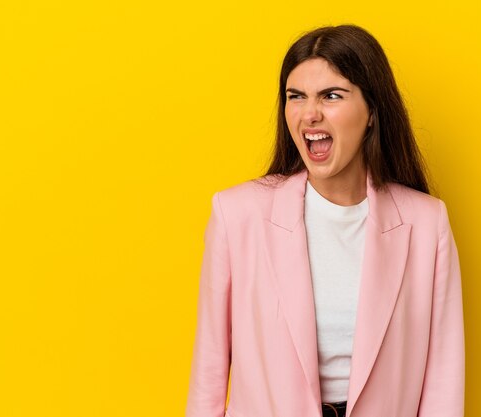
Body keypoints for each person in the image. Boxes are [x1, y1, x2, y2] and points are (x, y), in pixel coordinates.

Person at [186, 24, 465, 417]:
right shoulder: (237, 215)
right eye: (295, 97)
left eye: (331, 96)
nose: (310, 114)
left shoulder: (426, 223)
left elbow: (443, 388)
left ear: (372, 112)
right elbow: (208, 377)